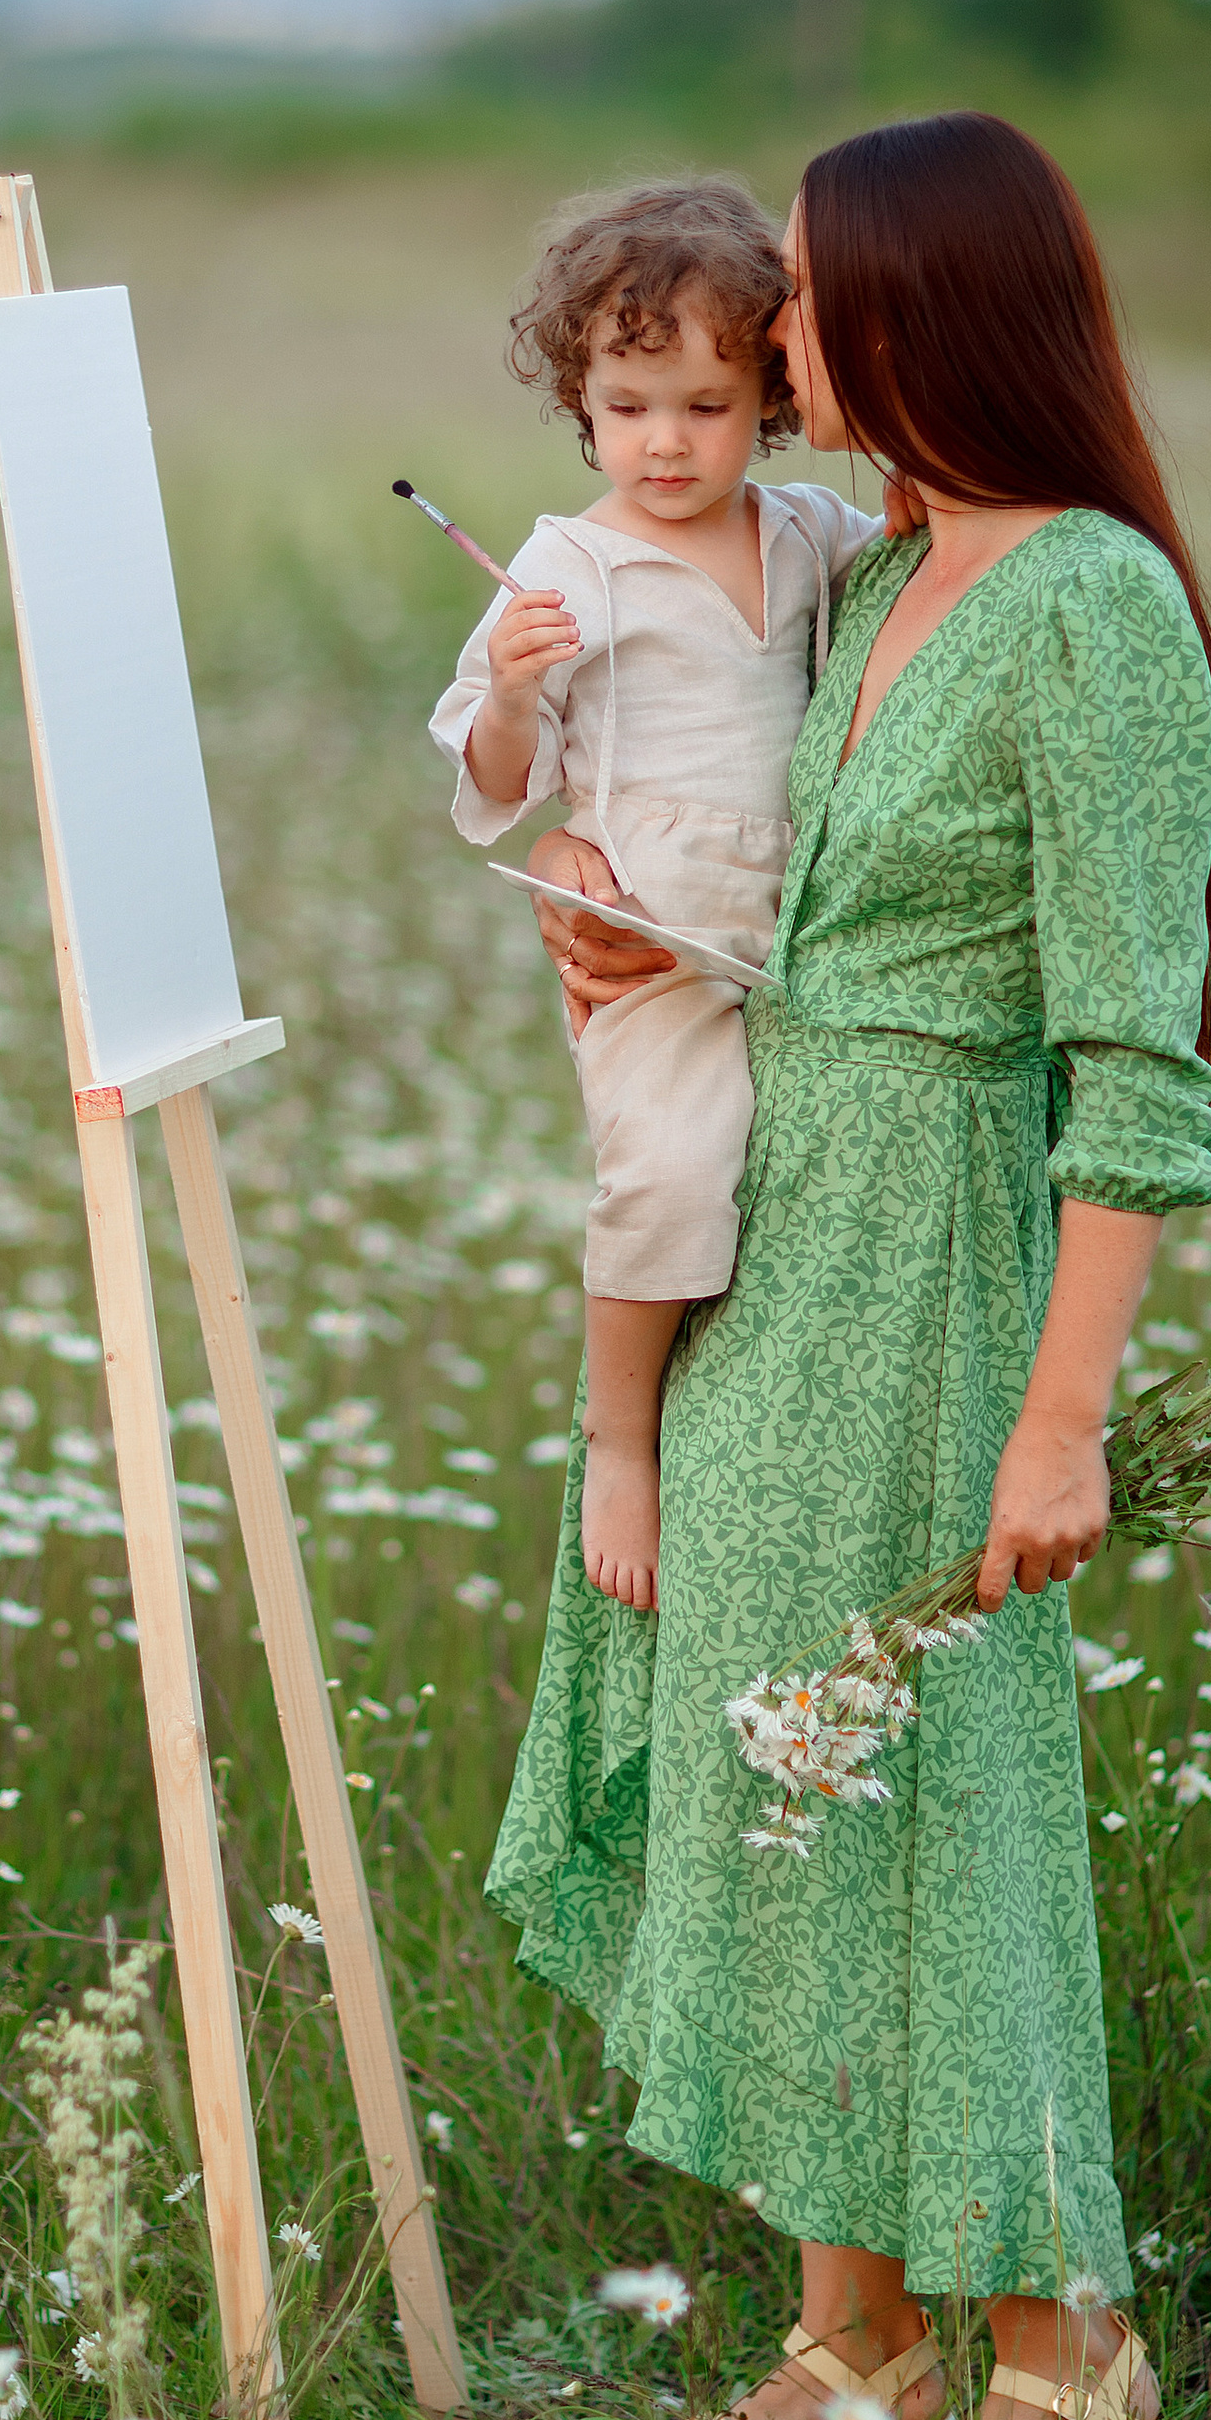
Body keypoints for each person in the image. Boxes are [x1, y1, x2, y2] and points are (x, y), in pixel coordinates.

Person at [488, 111, 1211, 2420]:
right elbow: (738, 840)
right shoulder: (882, 558)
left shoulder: (1087, 604)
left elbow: (1132, 1051)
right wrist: (613, 919)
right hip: (773, 1224)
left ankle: (1067, 2357)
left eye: (801, 299)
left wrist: (1061, 1413)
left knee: (943, 1779)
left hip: (932, 1258)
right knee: (766, 1748)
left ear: (918, 315)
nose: (768, 338)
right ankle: (856, 2336)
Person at [427, 181, 876, 1616]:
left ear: (771, 400)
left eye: (704, 406)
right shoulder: (569, 563)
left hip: (798, 927)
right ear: (582, 402)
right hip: (656, 941)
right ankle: (621, 1440)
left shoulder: (808, 533)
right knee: (670, 1173)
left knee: (795, 1191)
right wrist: (509, 685)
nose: (664, 443)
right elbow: (503, 776)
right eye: (627, 408)